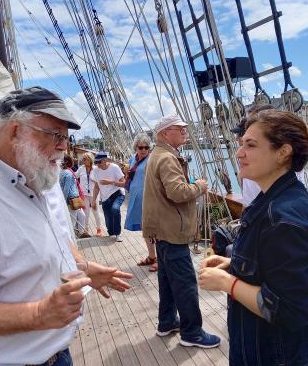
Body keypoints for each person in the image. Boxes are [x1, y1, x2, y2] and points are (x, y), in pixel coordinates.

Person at [0, 86, 133, 365]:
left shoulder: (34, 180)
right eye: (55, 135)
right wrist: (39, 314)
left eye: (66, 138)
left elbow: (47, 242)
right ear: (15, 131)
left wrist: (83, 267)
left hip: (57, 354)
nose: (64, 146)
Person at [198, 109, 308, 365]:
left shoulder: (284, 219)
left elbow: (289, 310)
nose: (239, 152)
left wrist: (227, 283)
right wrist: (233, 267)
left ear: (283, 152)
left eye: (251, 145)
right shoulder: (271, 202)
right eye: (241, 143)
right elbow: (272, 269)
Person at [142, 114, 221, 349]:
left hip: (163, 229)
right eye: (181, 129)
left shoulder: (157, 155)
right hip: (173, 230)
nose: (185, 132)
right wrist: (200, 186)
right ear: (166, 133)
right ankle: (192, 332)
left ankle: (166, 322)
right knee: (185, 283)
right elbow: (177, 192)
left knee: (167, 279)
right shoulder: (166, 158)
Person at [124, 133, 157, 272]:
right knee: (145, 229)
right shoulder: (133, 160)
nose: (144, 150)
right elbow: (129, 178)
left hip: (149, 198)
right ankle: (152, 256)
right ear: (136, 147)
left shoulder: (151, 160)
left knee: (154, 229)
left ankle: (160, 259)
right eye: (141, 147)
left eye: (146, 147)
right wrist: (126, 173)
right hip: (136, 198)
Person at [91, 152, 125, 242]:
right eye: (96, 162)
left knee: (115, 209)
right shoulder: (95, 170)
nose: (97, 165)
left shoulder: (114, 167)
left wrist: (110, 182)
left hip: (117, 193)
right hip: (105, 198)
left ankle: (118, 234)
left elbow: (124, 183)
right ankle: (112, 232)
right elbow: (96, 187)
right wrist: (93, 200)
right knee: (109, 226)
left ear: (105, 160)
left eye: (99, 162)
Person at [60, 154, 88, 238]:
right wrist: (64, 202)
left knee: (81, 216)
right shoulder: (68, 173)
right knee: (72, 220)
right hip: (71, 198)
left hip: (75, 197)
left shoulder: (62, 172)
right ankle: (72, 239)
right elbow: (66, 189)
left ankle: (80, 232)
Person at [75, 153, 102, 236]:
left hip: (94, 194)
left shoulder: (96, 169)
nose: (83, 161)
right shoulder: (81, 169)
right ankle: (85, 229)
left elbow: (100, 181)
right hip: (84, 194)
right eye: (83, 159)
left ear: (90, 159)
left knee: (95, 211)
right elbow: (74, 176)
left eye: (85, 159)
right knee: (85, 212)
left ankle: (99, 229)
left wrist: (94, 180)